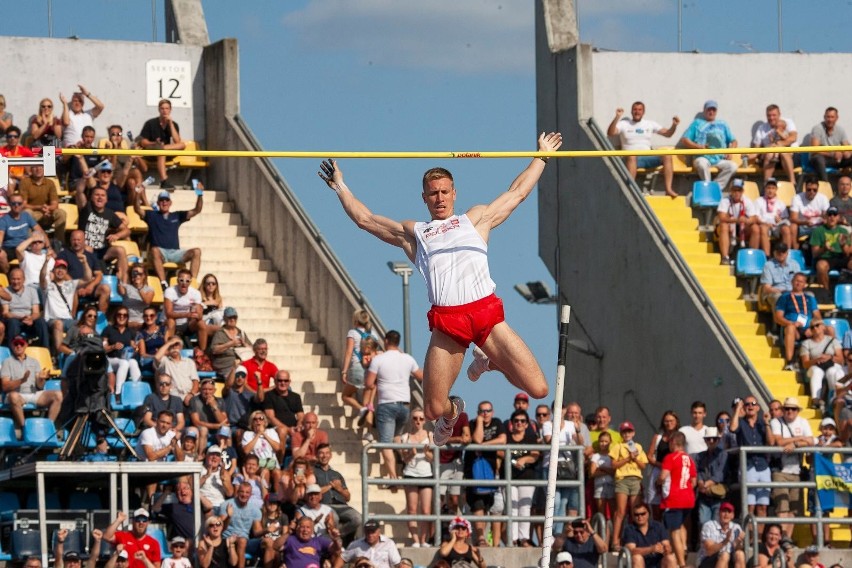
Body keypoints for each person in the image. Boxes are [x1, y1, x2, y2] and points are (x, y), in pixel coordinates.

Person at [318, 132, 561, 446]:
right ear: (424, 197)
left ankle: (487, 360)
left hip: (485, 313)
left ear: (454, 193)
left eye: (445, 192)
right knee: (433, 408)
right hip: (449, 324)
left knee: (539, 389)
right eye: (433, 193)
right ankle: (454, 410)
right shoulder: (416, 234)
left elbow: (517, 193)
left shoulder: (476, 219)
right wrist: (340, 185)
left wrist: (541, 156)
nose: (440, 198)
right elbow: (366, 219)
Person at [364, 330, 423, 478]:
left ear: (385, 341)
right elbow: (421, 375)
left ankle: (393, 477)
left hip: (387, 404)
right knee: (397, 436)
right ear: (398, 342)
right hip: (405, 405)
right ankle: (408, 452)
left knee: (385, 442)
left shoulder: (379, 359)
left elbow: (369, 383)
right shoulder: (408, 359)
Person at [606, 102, 680, 198]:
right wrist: (617, 117)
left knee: (667, 155)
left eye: (640, 110)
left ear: (643, 112)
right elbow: (610, 133)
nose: (637, 112)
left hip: (648, 156)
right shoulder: (624, 123)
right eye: (635, 109)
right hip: (630, 159)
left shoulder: (649, 124)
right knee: (632, 156)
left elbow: (668, 134)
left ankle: (668, 189)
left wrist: (674, 125)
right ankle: (630, 189)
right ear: (631, 111)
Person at [134, 190, 202, 289]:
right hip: (160, 253)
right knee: (154, 250)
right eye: (161, 200)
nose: (164, 202)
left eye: (166, 200)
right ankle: (163, 283)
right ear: (158, 203)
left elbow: (197, 210)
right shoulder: (152, 215)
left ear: (170, 203)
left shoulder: (177, 215)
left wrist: (200, 194)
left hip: (175, 253)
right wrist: (137, 194)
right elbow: (137, 209)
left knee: (197, 252)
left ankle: (191, 283)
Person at [769, 397, 815, 538]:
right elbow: (779, 441)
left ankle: (787, 538)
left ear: (797, 411)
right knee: (782, 505)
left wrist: (794, 445)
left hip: (797, 470)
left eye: (793, 409)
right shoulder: (776, 421)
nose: (789, 411)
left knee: (794, 508)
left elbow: (812, 441)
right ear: (783, 410)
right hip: (780, 470)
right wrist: (799, 439)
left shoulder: (803, 422)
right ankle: (782, 537)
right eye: (787, 408)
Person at [464, 399, 507, 547]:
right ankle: (481, 538)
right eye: (482, 411)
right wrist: (480, 422)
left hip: (492, 473)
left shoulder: (497, 422)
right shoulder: (472, 423)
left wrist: (484, 446)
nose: (485, 413)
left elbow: (502, 440)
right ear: (477, 413)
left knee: (493, 508)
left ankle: (494, 543)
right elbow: (476, 439)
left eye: (488, 410)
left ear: (493, 412)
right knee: (478, 506)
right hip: (475, 473)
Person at [0, 335, 59, 430]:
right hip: (17, 394)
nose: (18, 346)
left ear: (26, 345)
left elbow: (40, 386)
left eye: (21, 344)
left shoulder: (34, 362)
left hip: (33, 393)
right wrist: (21, 380)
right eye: (16, 344)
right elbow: (5, 386)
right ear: (12, 345)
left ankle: (48, 427)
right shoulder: (7, 362)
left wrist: (41, 379)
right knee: (13, 396)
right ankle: (24, 428)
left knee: (58, 395)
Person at [396, 408, 435, 547]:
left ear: (425, 421)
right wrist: (411, 454)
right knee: (412, 509)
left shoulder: (430, 435)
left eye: (421, 418)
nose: (418, 421)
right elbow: (404, 459)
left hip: (426, 474)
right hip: (410, 473)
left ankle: (424, 539)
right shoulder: (405, 437)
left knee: (426, 510)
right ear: (411, 420)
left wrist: (426, 453)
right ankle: (415, 540)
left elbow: (433, 458)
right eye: (415, 418)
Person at [75, 184, 130, 282]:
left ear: (106, 199)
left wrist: (117, 235)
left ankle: (123, 283)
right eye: (97, 195)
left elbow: (127, 230)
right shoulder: (87, 208)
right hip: (86, 249)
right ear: (91, 198)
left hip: (103, 250)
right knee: (88, 248)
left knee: (120, 250)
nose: (100, 197)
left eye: (103, 195)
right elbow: (79, 192)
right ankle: (88, 280)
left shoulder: (110, 214)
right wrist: (85, 178)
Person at [680, 100, 739, 190]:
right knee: (702, 164)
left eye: (713, 110)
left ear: (716, 111)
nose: (711, 112)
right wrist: (699, 147)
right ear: (704, 111)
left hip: (719, 158)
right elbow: (684, 140)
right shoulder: (697, 123)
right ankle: (708, 187)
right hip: (702, 157)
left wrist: (730, 151)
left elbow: (734, 141)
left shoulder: (723, 124)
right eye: (709, 110)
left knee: (733, 166)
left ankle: (714, 188)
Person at [730, 396, 773, 520]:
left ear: (758, 407)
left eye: (753, 403)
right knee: (749, 507)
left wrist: (767, 424)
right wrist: (738, 409)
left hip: (763, 466)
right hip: (748, 466)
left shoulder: (762, 423)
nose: (750, 406)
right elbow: (732, 428)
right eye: (747, 404)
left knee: (762, 507)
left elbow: (770, 443)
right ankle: (749, 538)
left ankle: (758, 539)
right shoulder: (741, 422)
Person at [658, 432, 696, 568]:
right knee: (680, 526)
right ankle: (683, 550)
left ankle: (681, 563)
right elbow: (693, 481)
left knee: (673, 531)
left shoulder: (670, 458)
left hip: (674, 498)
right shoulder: (689, 459)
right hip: (688, 497)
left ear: (674, 442)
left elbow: (663, 476)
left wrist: (658, 482)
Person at [610, 421, 648, 552]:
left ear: (633, 433)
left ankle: (634, 539)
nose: (627, 434)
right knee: (620, 512)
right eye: (624, 432)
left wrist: (635, 458)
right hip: (622, 480)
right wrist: (627, 459)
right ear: (621, 434)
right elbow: (613, 465)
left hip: (636, 479)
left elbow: (643, 465)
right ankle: (615, 541)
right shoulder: (617, 447)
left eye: (629, 432)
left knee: (635, 511)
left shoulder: (638, 446)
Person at [504, 409, 539, 547]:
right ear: (512, 423)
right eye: (516, 421)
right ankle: (512, 539)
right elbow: (500, 452)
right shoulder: (506, 436)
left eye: (522, 421)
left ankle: (524, 538)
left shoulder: (531, 437)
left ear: (527, 424)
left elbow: (535, 455)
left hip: (527, 477)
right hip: (509, 477)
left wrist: (524, 459)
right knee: (512, 508)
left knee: (525, 507)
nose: (519, 423)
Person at [775, 272, 823, 370]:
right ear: (792, 282)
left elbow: (817, 316)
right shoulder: (785, 297)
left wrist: (812, 327)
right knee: (791, 328)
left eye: (801, 282)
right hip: (792, 327)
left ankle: (829, 360)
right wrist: (791, 323)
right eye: (796, 281)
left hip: (809, 328)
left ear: (805, 284)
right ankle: (790, 361)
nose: (798, 283)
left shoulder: (810, 298)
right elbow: (778, 317)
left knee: (829, 329)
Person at [57, 229, 111, 313]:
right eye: (74, 240)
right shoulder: (63, 254)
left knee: (105, 289)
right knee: (72, 290)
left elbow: (99, 274)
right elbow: (62, 273)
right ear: (70, 240)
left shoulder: (91, 256)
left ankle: (101, 319)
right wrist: (76, 286)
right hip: (71, 287)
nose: (76, 242)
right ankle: (72, 319)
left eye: (79, 240)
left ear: (84, 241)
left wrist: (91, 286)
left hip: (89, 288)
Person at [139, 99, 186, 190]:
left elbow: (177, 141)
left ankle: (162, 148)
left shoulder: (173, 124)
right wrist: (154, 143)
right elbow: (143, 142)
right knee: (161, 151)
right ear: (159, 110)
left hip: (165, 150)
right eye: (162, 108)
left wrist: (171, 124)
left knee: (182, 145)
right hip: (151, 151)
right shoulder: (150, 123)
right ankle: (164, 180)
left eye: (167, 108)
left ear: (170, 110)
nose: (164, 111)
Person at [40, 258, 81, 356]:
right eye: (58, 268)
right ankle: (60, 355)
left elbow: (87, 279)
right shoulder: (48, 286)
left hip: (68, 320)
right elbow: (42, 277)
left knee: (83, 324)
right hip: (52, 320)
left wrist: (85, 263)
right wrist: (45, 262)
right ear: (53, 270)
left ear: (66, 271)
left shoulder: (70, 285)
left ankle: (83, 352)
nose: (60, 271)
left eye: (63, 269)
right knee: (58, 324)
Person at [340, 309, 376, 421]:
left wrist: (344, 371)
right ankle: (369, 433)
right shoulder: (373, 335)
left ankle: (360, 409)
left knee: (345, 396)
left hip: (357, 368)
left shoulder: (352, 333)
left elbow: (349, 352)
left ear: (355, 320)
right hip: (370, 371)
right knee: (368, 404)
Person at [800, 318, 844, 409]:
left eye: (817, 325)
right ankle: (815, 400)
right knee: (816, 372)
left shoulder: (832, 340)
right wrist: (816, 360)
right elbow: (805, 364)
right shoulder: (806, 343)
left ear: (823, 327)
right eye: (812, 327)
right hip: (815, 366)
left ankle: (834, 399)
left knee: (832, 372)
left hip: (831, 364)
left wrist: (830, 357)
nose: (815, 328)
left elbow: (841, 360)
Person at [2, 267, 50, 349]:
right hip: (14, 320)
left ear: (24, 280)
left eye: (18, 279)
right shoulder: (5, 291)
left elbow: (36, 312)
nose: (16, 282)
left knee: (41, 322)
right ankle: (13, 350)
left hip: (29, 320)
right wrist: (20, 317)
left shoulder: (32, 291)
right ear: (10, 280)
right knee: (13, 323)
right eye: (13, 279)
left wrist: (31, 318)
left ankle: (46, 350)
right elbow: (6, 313)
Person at [18, 162, 66, 242]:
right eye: (35, 167)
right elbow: (23, 204)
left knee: (61, 213)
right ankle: (29, 242)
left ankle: (59, 243)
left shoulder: (50, 183)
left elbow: (54, 204)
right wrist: (39, 207)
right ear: (31, 170)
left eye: (41, 167)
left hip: (48, 212)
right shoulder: (25, 182)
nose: (38, 169)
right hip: (34, 213)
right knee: (26, 213)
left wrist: (48, 208)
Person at [750, 104, 798, 185]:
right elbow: (756, 148)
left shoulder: (787, 123)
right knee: (770, 153)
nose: (771, 118)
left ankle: (793, 183)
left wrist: (779, 144)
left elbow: (793, 138)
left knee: (783, 151)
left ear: (779, 114)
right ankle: (766, 185)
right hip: (770, 156)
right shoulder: (762, 128)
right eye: (769, 115)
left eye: (774, 115)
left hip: (790, 156)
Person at [219, 482, 263, 568]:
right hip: (227, 538)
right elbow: (221, 528)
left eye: (247, 492)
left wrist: (267, 530)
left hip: (245, 540)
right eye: (242, 492)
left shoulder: (255, 510)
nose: (244, 495)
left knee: (244, 541)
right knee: (242, 541)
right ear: (237, 492)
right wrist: (228, 516)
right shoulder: (227, 505)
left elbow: (256, 533)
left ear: (251, 495)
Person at [164, 269, 210, 351]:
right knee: (171, 321)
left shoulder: (195, 293)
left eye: (187, 281)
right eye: (181, 280)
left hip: (187, 323)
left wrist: (197, 314)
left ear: (190, 282)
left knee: (201, 323)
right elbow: (168, 313)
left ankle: (202, 352)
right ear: (177, 281)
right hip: (172, 321)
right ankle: (168, 350)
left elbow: (199, 316)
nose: (184, 283)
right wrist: (186, 314)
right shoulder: (170, 291)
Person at [715, 178, 758, 265]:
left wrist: (746, 220)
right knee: (724, 226)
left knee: (755, 228)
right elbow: (722, 217)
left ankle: (752, 256)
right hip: (729, 226)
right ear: (731, 191)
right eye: (734, 190)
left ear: (742, 191)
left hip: (742, 227)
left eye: (739, 190)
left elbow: (753, 218)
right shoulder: (725, 200)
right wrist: (737, 220)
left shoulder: (747, 201)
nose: (736, 193)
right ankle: (725, 257)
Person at [262, 370, 304, 458]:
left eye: (285, 381)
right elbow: (270, 417)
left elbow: (300, 415)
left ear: (289, 382)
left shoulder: (296, 397)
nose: (283, 383)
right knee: (282, 431)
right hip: (275, 429)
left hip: (293, 428)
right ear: (275, 381)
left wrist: (299, 425)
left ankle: (301, 463)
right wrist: (288, 429)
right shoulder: (269, 396)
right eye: (280, 380)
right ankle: (280, 461)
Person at [102, 307, 142, 398]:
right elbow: (103, 349)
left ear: (127, 317)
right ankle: (118, 393)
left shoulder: (130, 331)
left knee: (133, 362)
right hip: (110, 359)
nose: (121, 317)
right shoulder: (108, 329)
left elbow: (134, 348)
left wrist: (135, 349)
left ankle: (137, 390)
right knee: (124, 363)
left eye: (124, 315)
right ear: (115, 316)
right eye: (119, 315)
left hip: (125, 358)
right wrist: (113, 346)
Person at [647, 411, 680, 518]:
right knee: (655, 506)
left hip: (674, 474)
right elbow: (649, 456)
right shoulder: (657, 437)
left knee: (671, 506)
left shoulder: (680, 437)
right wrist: (661, 465)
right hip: (658, 471)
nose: (669, 423)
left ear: (676, 422)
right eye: (666, 421)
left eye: (671, 421)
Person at [0, 192, 43, 274]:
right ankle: (9, 275)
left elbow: (39, 230)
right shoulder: (4, 219)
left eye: (19, 203)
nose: (16, 205)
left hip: (25, 246)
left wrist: (49, 247)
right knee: (0, 255)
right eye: (13, 203)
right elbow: (0, 234)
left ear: (22, 204)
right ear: (9, 204)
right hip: (10, 247)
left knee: (38, 248)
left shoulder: (26, 216)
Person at [622, 502, 676, 568]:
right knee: (637, 558)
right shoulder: (629, 529)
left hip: (658, 562)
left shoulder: (658, 526)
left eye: (643, 514)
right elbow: (631, 550)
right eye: (636, 514)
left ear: (648, 514)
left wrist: (666, 549)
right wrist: (651, 549)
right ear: (633, 516)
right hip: (640, 562)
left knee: (670, 558)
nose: (640, 517)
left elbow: (666, 544)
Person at [812, 206, 852, 291]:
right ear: (826, 217)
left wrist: (842, 245)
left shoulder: (843, 231)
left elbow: (847, 253)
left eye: (834, 214)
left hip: (840, 257)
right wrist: (824, 249)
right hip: (825, 257)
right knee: (821, 266)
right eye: (829, 214)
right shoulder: (818, 231)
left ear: (838, 217)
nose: (832, 217)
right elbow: (815, 253)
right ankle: (825, 293)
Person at [695, 427, 728, 528]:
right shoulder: (700, 456)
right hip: (704, 495)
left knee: (717, 523)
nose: (711, 441)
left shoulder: (723, 454)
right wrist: (700, 482)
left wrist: (704, 484)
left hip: (717, 495)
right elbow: (699, 471)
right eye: (709, 439)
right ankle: (706, 543)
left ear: (718, 440)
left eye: (714, 438)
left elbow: (721, 473)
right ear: (705, 440)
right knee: (703, 522)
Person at [809, 106, 852, 181]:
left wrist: (845, 153)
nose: (830, 119)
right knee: (818, 158)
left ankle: (849, 184)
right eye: (828, 117)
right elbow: (815, 149)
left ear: (837, 118)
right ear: (824, 117)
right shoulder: (817, 128)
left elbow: (847, 146)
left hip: (836, 159)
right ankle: (826, 185)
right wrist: (833, 154)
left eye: (832, 117)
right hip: (822, 160)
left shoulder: (840, 129)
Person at [153, 337, 199, 407]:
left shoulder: (189, 362)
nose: (174, 347)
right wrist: (169, 342)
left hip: (190, 395)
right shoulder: (165, 361)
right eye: (172, 345)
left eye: (177, 344)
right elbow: (157, 357)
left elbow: (195, 382)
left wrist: (191, 394)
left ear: (181, 347)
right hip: (173, 397)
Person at [697, 502, 745, 568]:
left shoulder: (736, 527)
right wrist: (725, 541)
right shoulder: (709, 526)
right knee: (725, 555)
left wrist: (738, 541)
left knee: (740, 554)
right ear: (719, 513)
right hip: (709, 560)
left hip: (728, 558)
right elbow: (709, 550)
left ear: (732, 515)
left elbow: (737, 549)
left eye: (729, 512)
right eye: (724, 511)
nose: (726, 514)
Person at [240, 410, 281, 483]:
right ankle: (265, 493)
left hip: (271, 461)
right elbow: (246, 451)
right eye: (255, 419)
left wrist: (264, 434)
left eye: (261, 418)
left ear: (265, 422)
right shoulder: (248, 434)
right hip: (258, 463)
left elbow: (277, 448)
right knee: (265, 471)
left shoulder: (271, 432)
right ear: (252, 422)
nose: (258, 421)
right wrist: (258, 434)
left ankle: (278, 494)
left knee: (277, 473)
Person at [755, 179, 793, 256]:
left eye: (773, 188)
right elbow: (756, 217)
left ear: (776, 190)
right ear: (765, 189)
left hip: (776, 226)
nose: (770, 191)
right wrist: (765, 223)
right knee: (763, 228)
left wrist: (780, 220)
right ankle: (767, 255)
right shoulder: (759, 201)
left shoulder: (780, 203)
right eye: (768, 188)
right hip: (764, 224)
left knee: (786, 229)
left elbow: (785, 218)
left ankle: (787, 254)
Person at [790, 175, 830, 248]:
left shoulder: (823, 198)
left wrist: (823, 219)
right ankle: (795, 251)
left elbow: (826, 216)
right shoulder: (797, 198)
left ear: (818, 188)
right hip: (802, 226)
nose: (812, 192)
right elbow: (793, 218)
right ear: (805, 187)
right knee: (793, 226)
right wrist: (805, 222)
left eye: (815, 190)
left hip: (818, 226)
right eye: (809, 189)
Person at [759, 242, 800, 312]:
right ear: (774, 253)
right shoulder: (768, 265)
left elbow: (800, 282)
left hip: (792, 291)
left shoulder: (794, 264)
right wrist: (782, 292)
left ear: (787, 253)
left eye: (783, 251)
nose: (781, 253)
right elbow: (767, 288)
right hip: (775, 292)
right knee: (779, 297)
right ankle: (779, 322)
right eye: (778, 252)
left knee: (810, 296)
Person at [208, 306, 247, 376]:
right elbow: (214, 350)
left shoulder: (241, 333)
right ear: (224, 319)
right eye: (230, 317)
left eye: (234, 317)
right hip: (226, 364)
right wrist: (230, 344)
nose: (232, 319)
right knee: (237, 375)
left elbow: (253, 349)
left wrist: (245, 344)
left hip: (241, 363)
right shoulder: (220, 333)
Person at [189, 378, 228, 444]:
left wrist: (214, 407)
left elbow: (224, 421)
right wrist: (215, 426)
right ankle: (200, 454)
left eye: (210, 389)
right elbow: (196, 422)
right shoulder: (194, 400)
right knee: (204, 430)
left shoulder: (220, 401)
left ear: (214, 390)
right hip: (200, 429)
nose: (207, 392)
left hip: (216, 430)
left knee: (226, 430)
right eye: (204, 389)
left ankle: (226, 452)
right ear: (200, 390)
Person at [199, 444, 235, 514]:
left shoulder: (224, 472)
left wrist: (223, 479)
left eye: (217, 455)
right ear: (206, 456)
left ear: (220, 459)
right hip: (204, 506)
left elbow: (230, 493)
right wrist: (206, 476)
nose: (214, 457)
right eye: (212, 454)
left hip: (221, 506)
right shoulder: (199, 469)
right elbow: (192, 487)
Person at [119, 264, 154, 330]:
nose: (137, 275)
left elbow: (147, 301)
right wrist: (119, 279)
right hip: (127, 322)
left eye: (139, 274)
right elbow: (121, 292)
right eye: (134, 273)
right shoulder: (127, 287)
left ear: (144, 276)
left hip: (142, 322)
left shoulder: (149, 289)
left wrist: (139, 287)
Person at [0, 126, 34, 192]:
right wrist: (17, 177)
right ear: (6, 138)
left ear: (18, 138)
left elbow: (36, 160)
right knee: (10, 183)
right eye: (10, 136)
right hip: (7, 178)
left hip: (22, 178)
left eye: (15, 136)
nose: (12, 138)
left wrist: (29, 173)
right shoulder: (1, 151)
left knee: (27, 161)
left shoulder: (24, 150)